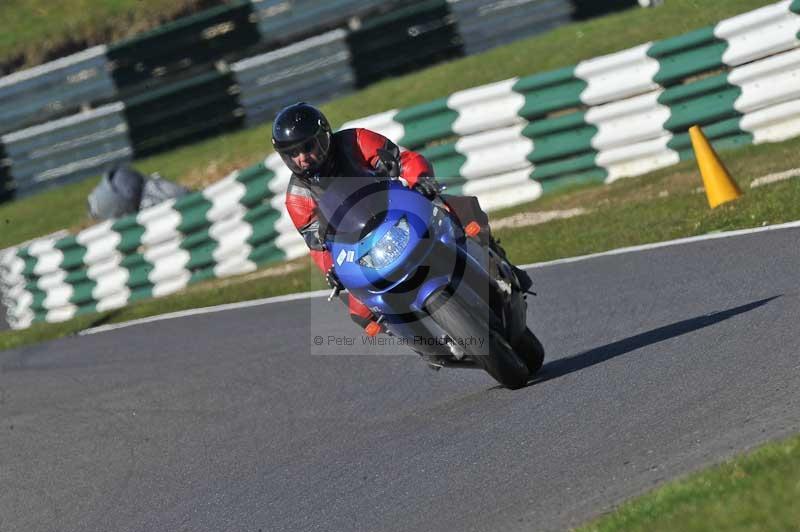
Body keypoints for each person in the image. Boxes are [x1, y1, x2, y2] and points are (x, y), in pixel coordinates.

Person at [272, 102, 531, 335]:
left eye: (307, 147)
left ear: (324, 137)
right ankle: (421, 342)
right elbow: (318, 245)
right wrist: (331, 269)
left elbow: (403, 159)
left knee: (463, 210)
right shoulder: (297, 197)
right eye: (292, 154)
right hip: (361, 245)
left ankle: (499, 265)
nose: (302, 158)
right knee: (360, 312)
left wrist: (420, 180)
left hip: (400, 209)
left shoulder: (355, 141)